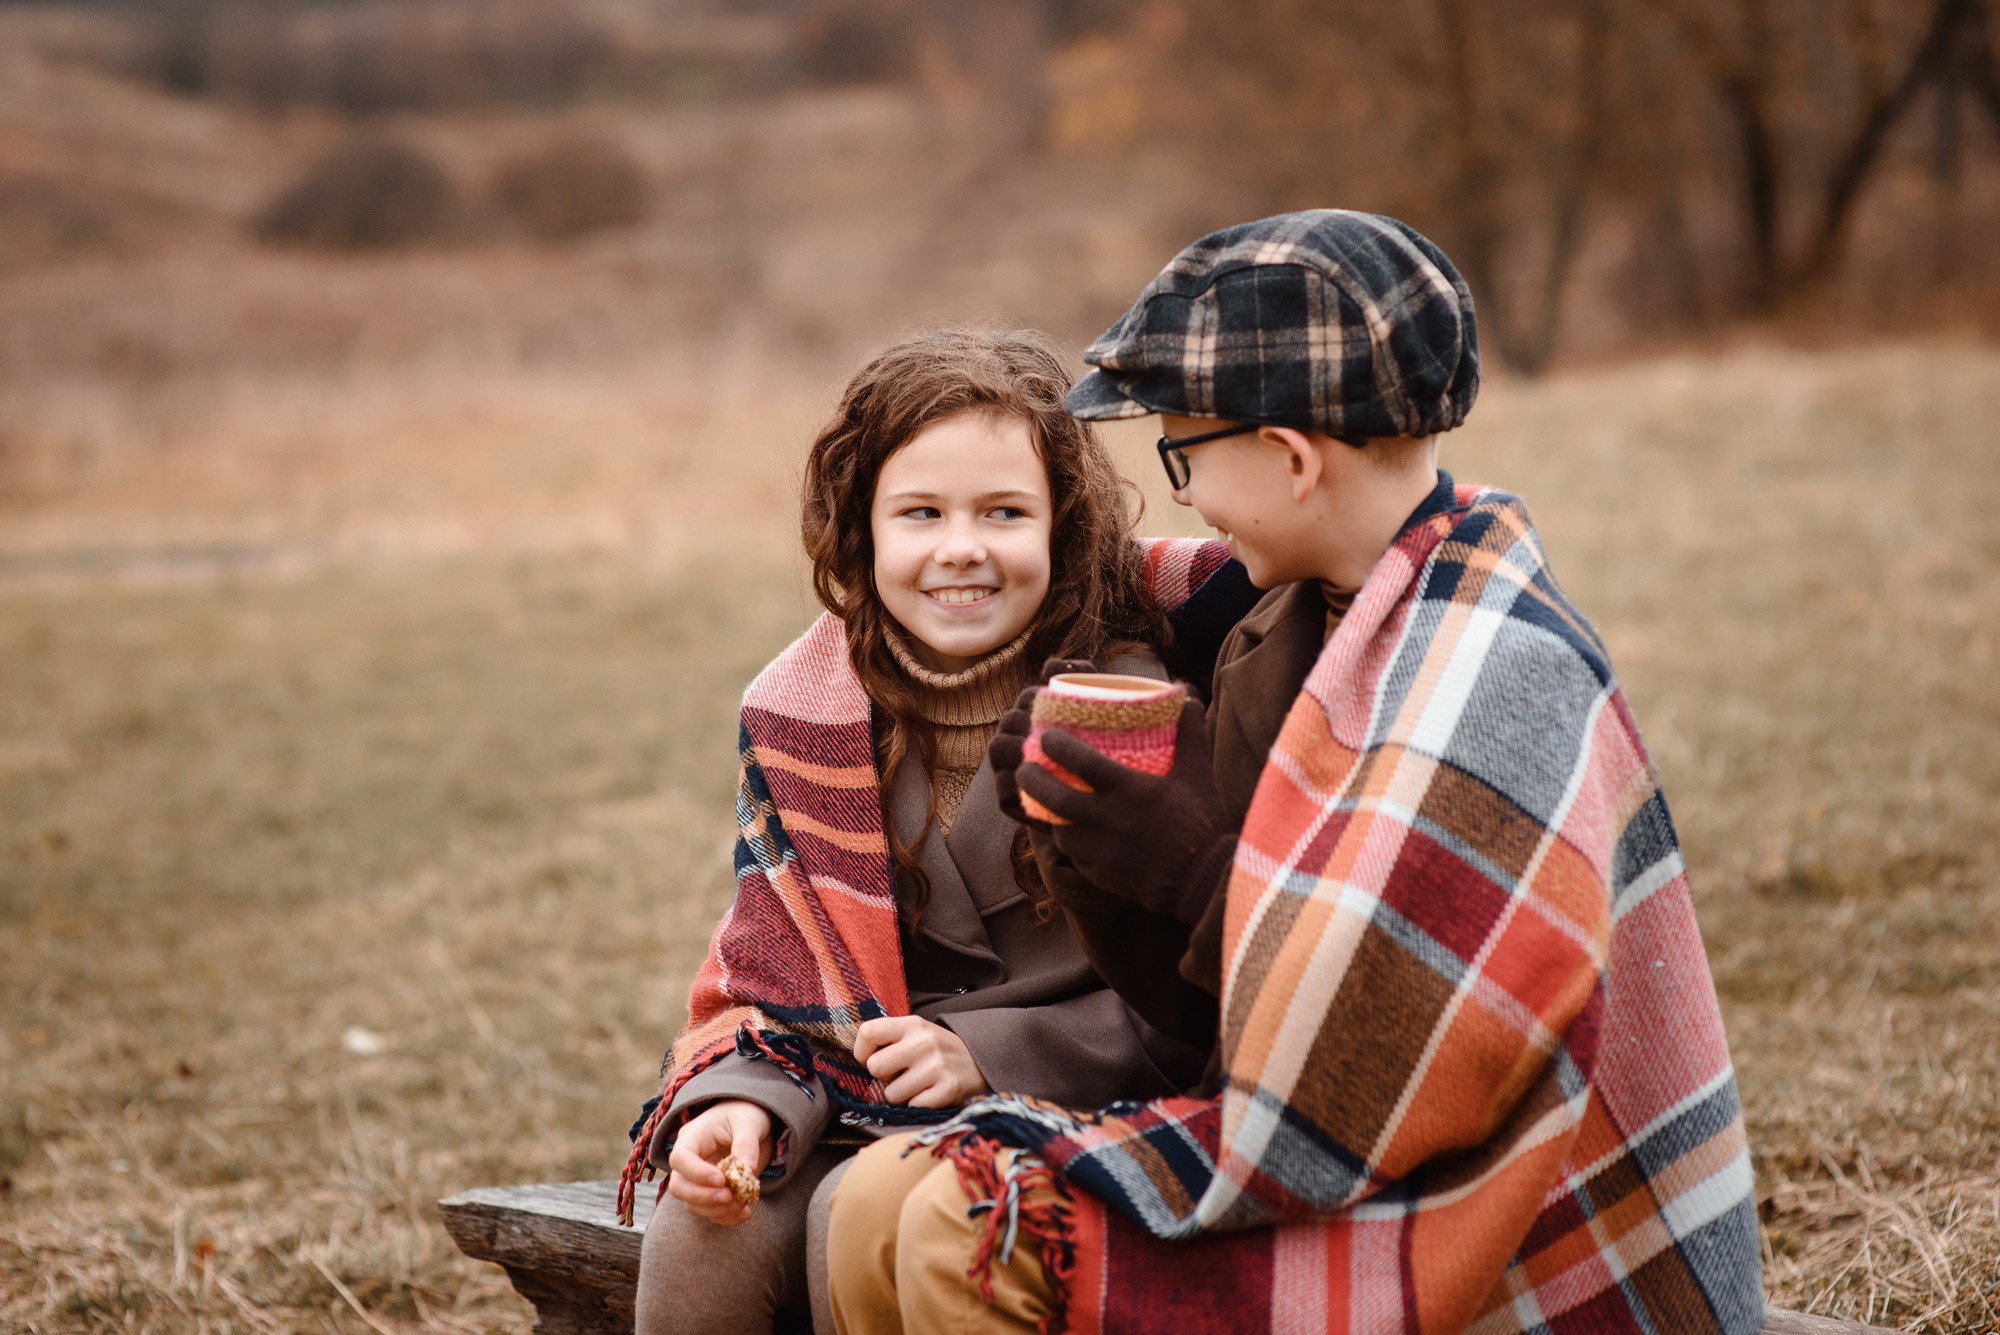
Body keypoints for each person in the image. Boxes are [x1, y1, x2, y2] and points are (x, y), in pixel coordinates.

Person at [824, 211, 1765, 1335]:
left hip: (1477, 1189)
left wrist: (1187, 864)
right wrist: (1091, 850)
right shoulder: (1284, 631)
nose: (1179, 499)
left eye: (1184, 455)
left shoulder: (1491, 674)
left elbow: (1396, 1058)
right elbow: (1206, 1030)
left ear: (1287, 456)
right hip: (1303, 1122)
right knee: (873, 1201)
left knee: (962, 1231)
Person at [618, 328, 1258, 1335]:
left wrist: (987, 1053)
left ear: (1064, 527)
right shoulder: (801, 717)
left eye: (1003, 512)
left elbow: (1190, 993)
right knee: (700, 1224)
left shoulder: (1121, 706)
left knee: (851, 1212)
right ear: (860, 533)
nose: (960, 547)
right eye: (919, 513)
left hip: (1072, 1097)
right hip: (850, 1091)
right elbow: (775, 977)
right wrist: (740, 1103)